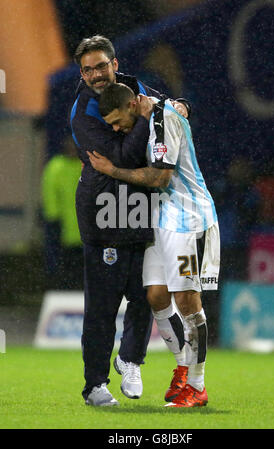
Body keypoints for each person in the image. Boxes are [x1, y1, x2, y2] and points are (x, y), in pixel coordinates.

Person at [70, 35, 190, 406]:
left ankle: (131, 359)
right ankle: (94, 385)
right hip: (104, 212)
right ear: (81, 73)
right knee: (103, 307)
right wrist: (146, 116)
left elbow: (171, 104)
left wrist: (179, 107)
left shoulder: (135, 87)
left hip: (141, 207)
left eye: (101, 66)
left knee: (146, 294)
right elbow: (120, 154)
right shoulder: (82, 113)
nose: (95, 74)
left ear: (115, 64)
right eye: (88, 69)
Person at [88, 83, 220, 408]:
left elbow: (161, 178)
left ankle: (197, 384)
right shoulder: (151, 119)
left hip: (188, 220)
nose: (118, 129)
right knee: (156, 297)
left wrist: (112, 171)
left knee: (187, 301)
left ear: (133, 104)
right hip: (162, 219)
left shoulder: (162, 119)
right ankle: (183, 369)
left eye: (119, 121)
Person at [41, 135, 83, 290]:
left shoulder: (82, 165)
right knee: (64, 263)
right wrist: (52, 215)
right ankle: (63, 288)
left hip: (82, 227)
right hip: (62, 225)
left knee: (79, 264)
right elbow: (49, 191)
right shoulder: (57, 166)